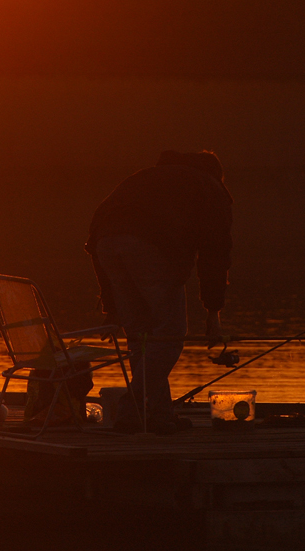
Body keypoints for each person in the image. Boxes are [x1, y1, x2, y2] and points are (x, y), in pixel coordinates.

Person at [85, 150, 233, 434]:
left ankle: (159, 415)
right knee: (170, 335)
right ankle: (132, 409)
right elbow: (215, 253)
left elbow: (98, 233)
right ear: (217, 174)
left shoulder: (144, 177)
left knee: (142, 337)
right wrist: (213, 313)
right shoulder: (210, 187)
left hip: (106, 246)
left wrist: (112, 306)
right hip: (152, 249)